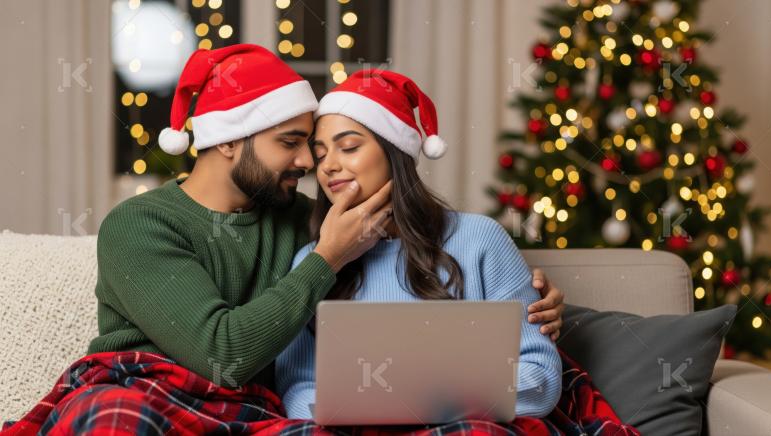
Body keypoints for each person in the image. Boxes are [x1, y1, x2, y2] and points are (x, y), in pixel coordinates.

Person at [1, 45, 566, 434]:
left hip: (248, 408)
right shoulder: (142, 226)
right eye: (295, 144)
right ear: (229, 140)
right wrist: (326, 257)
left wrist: (534, 297)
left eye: (322, 147)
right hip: (146, 389)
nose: (309, 165)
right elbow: (224, 355)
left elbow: (406, 242)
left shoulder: (307, 218)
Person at [276, 69, 561, 420]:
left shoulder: (480, 240)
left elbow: (541, 377)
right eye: (320, 154)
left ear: (395, 152)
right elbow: (298, 387)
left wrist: (425, 404)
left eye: (348, 147)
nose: (329, 166)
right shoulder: (313, 261)